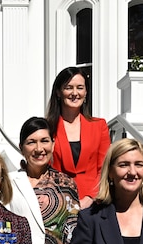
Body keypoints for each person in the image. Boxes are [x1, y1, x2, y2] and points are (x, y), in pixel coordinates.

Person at [46, 66, 110, 209]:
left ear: (86, 92)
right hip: (57, 203)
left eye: (80, 88)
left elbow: (104, 168)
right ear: (58, 92)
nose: (75, 93)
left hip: (93, 203)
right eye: (69, 88)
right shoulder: (48, 128)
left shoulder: (99, 126)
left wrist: (90, 198)